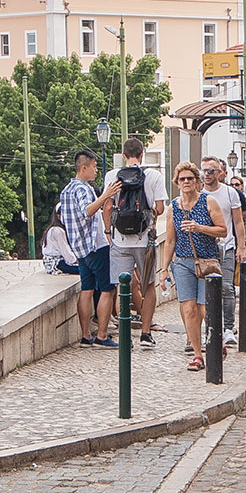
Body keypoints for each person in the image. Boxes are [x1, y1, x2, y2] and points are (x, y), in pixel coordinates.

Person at [160, 161, 226, 371]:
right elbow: (170, 241)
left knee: (205, 308)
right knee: (189, 310)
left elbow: (222, 230)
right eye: (182, 179)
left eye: (190, 178)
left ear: (197, 181)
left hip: (207, 262)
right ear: (177, 183)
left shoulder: (208, 202)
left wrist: (199, 228)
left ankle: (217, 341)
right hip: (182, 262)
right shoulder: (174, 207)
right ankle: (198, 355)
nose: (186, 182)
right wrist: (164, 269)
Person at [102, 138, 168, 350]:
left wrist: (108, 231)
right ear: (142, 154)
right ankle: (146, 333)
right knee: (148, 285)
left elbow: (108, 207)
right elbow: (160, 208)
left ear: (123, 155)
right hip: (145, 240)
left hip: (120, 240)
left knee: (122, 287)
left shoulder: (112, 176)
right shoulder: (153, 176)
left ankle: (125, 336)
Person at [60, 149, 121, 348]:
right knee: (107, 289)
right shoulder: (83, 189)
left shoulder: (66, 190)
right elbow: (87, 210)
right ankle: (102, 335)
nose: (96, 171)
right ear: (84, 167)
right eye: (94, 167)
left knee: (86, 289)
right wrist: (106, 196)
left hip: (79, 247)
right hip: (95, 245)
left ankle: (86, 335)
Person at [200, 156, 246, 348]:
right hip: (205, 248)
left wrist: (241, 246)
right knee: (206, 292)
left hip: (227, 246)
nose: (207, 174)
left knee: (227, 287)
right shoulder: (198, 193)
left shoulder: (230, 193)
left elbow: (238, 221)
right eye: (204, 171)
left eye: (211, 171)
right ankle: (209, 329)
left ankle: (228, 328)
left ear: (219, 172)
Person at [41, 204, 79, 275]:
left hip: (52, 263)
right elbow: (66, 252)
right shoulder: (57, 230)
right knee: (86, 271)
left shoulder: (52, 229)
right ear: (59, 216)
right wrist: (77, 261)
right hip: (58, 264)